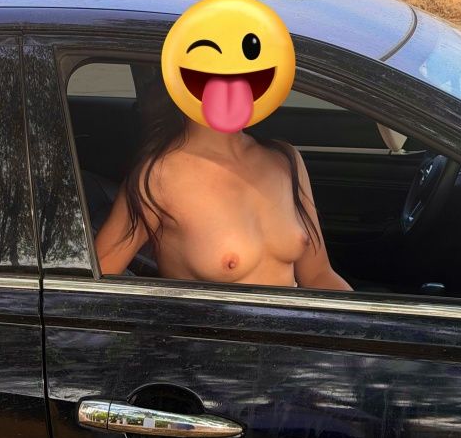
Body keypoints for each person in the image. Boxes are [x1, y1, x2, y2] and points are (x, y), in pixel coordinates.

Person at [96, 76, 352, 291]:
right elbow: (91, 286)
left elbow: (318, 275)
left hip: (296, 332)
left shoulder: (284, 159)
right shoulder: (157, 177)